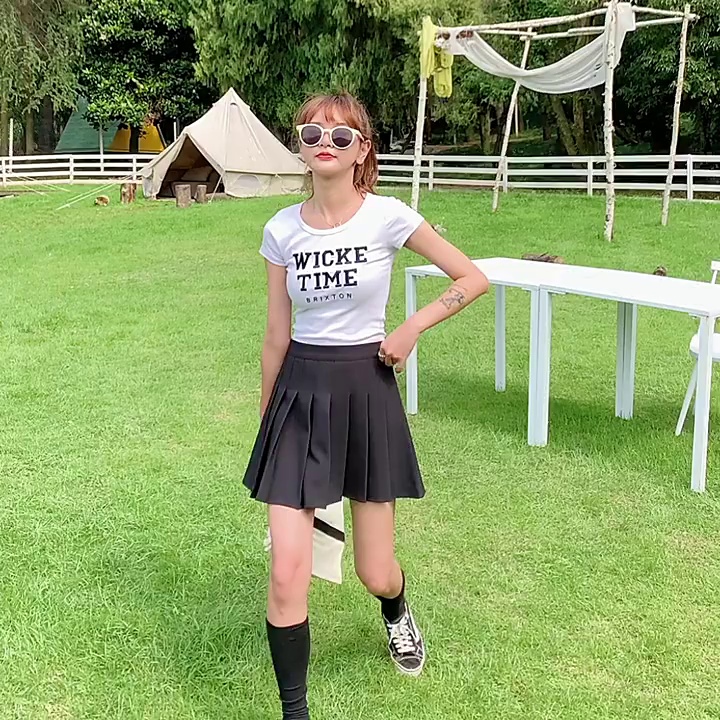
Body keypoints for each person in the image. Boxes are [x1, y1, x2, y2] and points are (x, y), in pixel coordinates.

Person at [242, 92, 489, 719]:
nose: (324, 143)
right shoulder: (280, 230)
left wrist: (411, 328)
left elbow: (471, 278)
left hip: (367, 391)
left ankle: (396, 609)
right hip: (299, 396)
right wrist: (268, 419)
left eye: (340, 135)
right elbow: (275, 335)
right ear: (300, 148)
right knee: (287, 569)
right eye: (311, 134)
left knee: (374, 571)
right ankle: (295, 711)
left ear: (362, 151)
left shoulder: (387, 217)